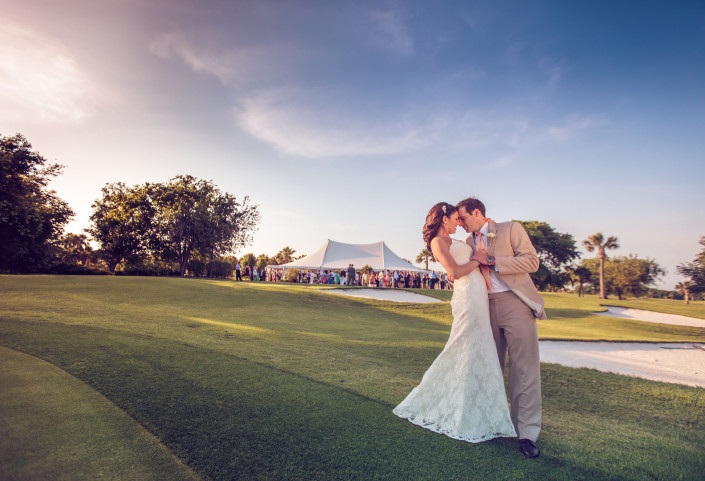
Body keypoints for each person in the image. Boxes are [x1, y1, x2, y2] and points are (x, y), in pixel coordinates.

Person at [393, 202, 516, 444]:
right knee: (464, 346)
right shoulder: (438, 242)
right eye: (455, 218)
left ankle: (480, 408)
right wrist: (478, 260)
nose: (458, 223)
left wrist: (485, 232)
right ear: (443, 218)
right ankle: (450, 406)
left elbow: (477, 248)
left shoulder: (456, 240)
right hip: (467, 295)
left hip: (478, 293)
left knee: (480, 348)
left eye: (462, 219)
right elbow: (455, 273)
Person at [455, 196, 545, 458]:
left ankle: (527, 433)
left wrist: (492, 261)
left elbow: (532, 262)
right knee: (488, 366)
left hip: (515, 303)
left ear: (477, 213)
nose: (459, 222)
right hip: (483, 308)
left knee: (524, 368)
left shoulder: (510, 229)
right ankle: (488, 423)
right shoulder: (466, 244)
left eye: (462, 217)